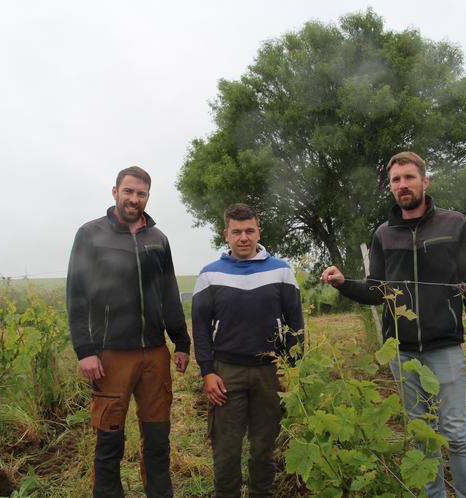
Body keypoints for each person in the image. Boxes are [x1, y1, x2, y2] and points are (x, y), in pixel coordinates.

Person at [321, 151, 466, 498]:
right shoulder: (384, 234)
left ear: (424, 181)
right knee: (420, 434)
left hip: (444, 346)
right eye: (396, 180)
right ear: (391, 188)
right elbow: (376, 290)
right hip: (403, 352)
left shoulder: (454, 224)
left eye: (409, 178)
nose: (403, 185)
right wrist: (343, 283)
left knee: (456, 432)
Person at [67, 165, 190, 498]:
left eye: (141, 193)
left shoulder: (158, 239)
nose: (134, 199)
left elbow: (169, 293)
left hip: (154, 352)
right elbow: (76, 296)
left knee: (158, 438)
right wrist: (85, 349)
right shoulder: (91, 235)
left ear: (148, 196)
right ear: (115, 192)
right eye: (128, 191)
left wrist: (181, 340)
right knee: (109, 440)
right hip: (110, 355)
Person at [192, 203, 304, 498]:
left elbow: (296, 323)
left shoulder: (281, 270)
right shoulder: (209, 274)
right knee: (226, 449)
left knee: (263, 447)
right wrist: (207, 372)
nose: (244, 237)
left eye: (249, 231)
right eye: (237, 231)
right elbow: (201, 329)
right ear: (225, 234)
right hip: (226, 372)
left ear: (259, 232)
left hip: (271, 372)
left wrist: (291, 368)